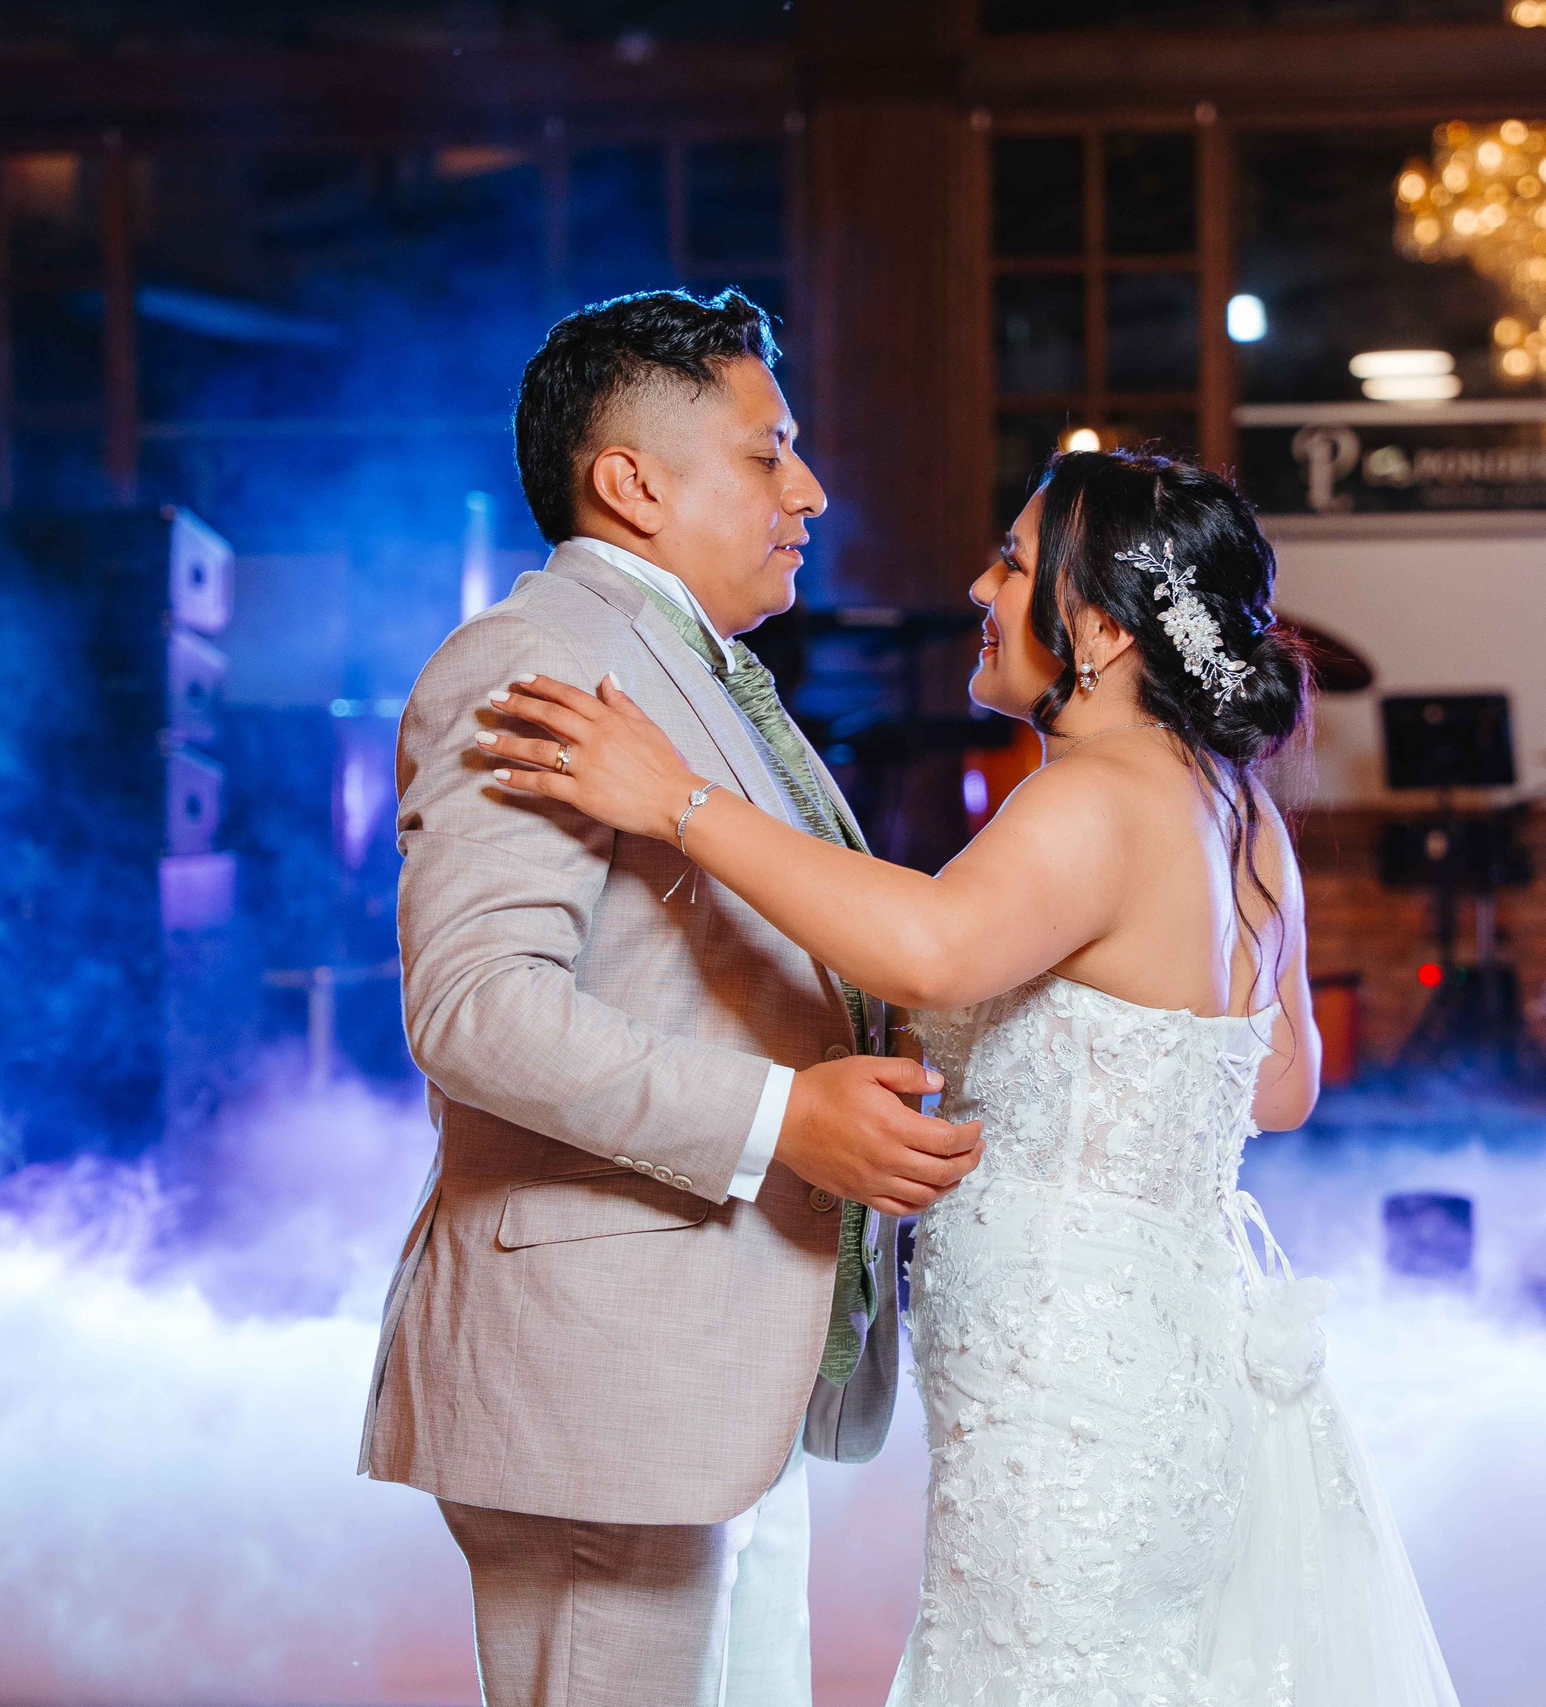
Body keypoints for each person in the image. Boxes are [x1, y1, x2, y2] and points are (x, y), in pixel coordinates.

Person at [485, 446, 1465, 1705]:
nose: (976, 584)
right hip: (1176, 1348)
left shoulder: (1093, 799)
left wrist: (673, 802)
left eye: (1010, 562)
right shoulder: (1232, 810)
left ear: (1100, 627)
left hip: (1066, 1387)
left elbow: (934, 952)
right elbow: (1275, 1084)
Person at [358, 287, 985, 1707]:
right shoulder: (529, 664)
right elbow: (472, 1008)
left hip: (709, 1359)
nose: (809, 491)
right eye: (770, 453)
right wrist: (783, 1118)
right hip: (599, 1368)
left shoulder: (678, 667)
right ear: (631, 480)